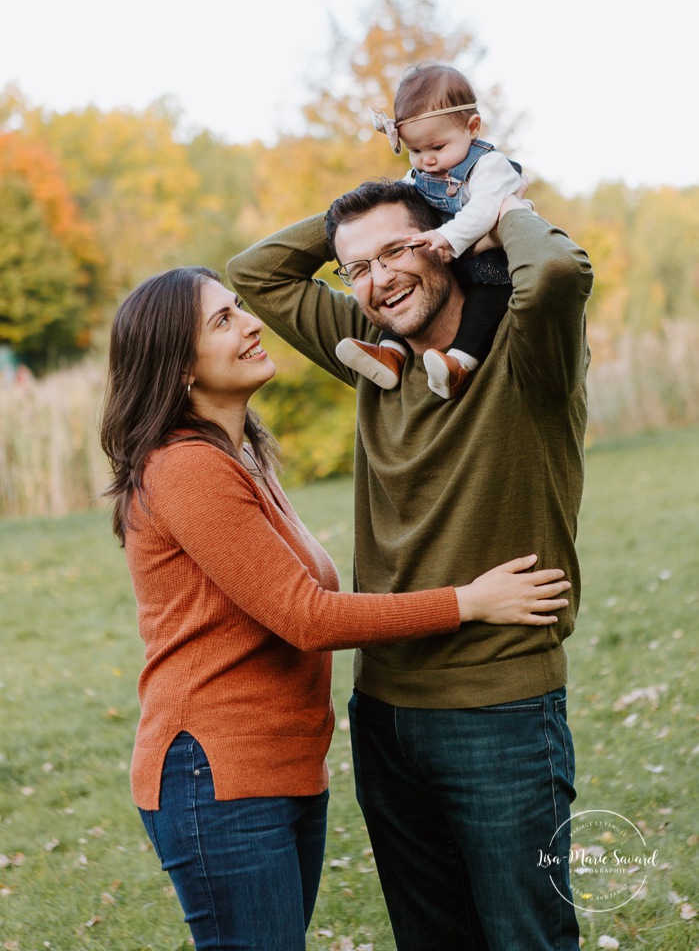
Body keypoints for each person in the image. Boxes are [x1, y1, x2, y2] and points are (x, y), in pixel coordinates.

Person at [99, 264, 572, 951]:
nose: (251, 322)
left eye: (240, 307)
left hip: (276, 770)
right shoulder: (186, 469)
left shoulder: (240, 457)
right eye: (223, 320)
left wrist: (431, 200)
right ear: (178, 370)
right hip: (216, 775)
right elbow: (308, 617)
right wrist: (468, 602)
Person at [228, 184, 594, 950]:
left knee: (526, 936)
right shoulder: (373, 357)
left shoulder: (527, 354)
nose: (377, 280)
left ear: (447, 246)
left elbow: (557, 270)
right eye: (354, 267)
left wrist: (488, 204)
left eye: (396, 250)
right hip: (385, 714)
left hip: (498, 711)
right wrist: (405, 199)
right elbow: (256, 273)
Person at [336, 63, 523, 399]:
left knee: (488, 296)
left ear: (472, 127)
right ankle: (391, 355)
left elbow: (483, 209)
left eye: (437, 148)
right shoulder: (420, 174)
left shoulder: (489, 166)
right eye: (416, 151)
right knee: (396, 295)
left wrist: (448, 237)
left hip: (487, 259)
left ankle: (460, 363)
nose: (427, 162)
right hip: (440, 257)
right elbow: (393, 204)